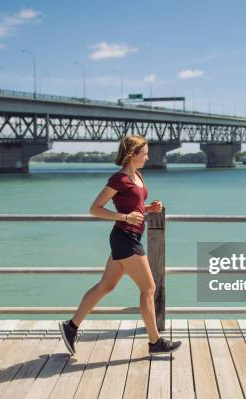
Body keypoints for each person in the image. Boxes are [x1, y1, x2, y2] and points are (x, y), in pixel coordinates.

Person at [59, 134, 182, 356]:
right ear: (133, 154)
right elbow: (95, 209)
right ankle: (155, 342)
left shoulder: (138, 176)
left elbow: (135, 205)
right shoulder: (119, 179)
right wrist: (124, 218)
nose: (147, 157)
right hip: (125, 238)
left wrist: (149, 209)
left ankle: (71, 326)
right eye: (144, 153)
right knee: (148, 288)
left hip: (130, 237)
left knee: (106, 286)